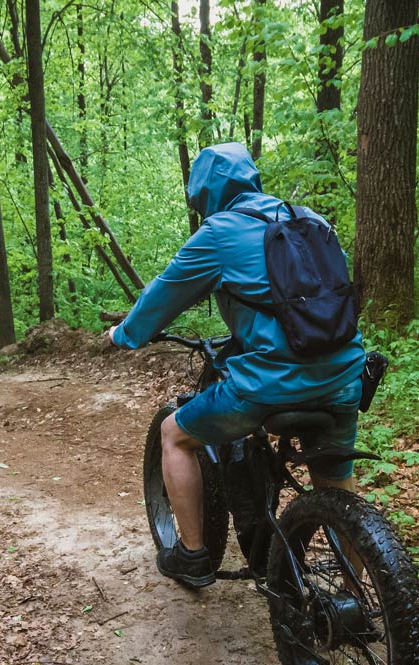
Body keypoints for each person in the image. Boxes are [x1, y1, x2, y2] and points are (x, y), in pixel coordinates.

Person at [105, 142, 366, 588]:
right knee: (334, 478)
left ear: (205, 194)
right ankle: (357, 589)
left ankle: (192, 556)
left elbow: (161, 297)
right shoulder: (313, 221)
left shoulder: (220, 233)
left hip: (269, 383)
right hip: (345, 376)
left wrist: (123, 335)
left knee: (175, 434)